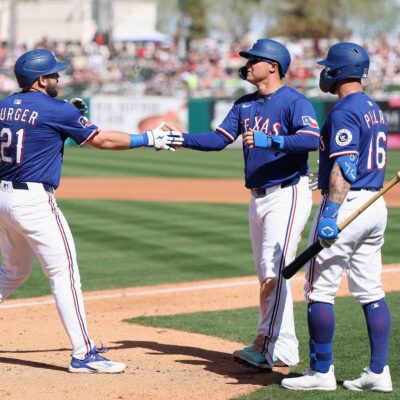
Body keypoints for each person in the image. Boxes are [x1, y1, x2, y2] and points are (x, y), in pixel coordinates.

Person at [0, 49, 182, 373]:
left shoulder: (4, 106)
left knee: (13, 273)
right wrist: (148, 137)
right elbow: (102, 140)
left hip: (3, 199)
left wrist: (68, 118)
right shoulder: (57, 109)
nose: (58, 78)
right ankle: (84, 354)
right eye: (54, 74)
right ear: (41, 80)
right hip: (33, 202)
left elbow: (35, 138)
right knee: (64, 274)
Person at [168, 39, 320, 370]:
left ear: (273, 66)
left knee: (274, 272)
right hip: (258, 198)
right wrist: (181, 138)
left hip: (288, 194)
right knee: (269, 274)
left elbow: (311, 139)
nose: (247, 64)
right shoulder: (245, 103)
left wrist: (273, 140)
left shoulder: (294, 102)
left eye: (254, 59)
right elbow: (218, 139)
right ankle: (286, 348)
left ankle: (265, 346)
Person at [281, 43, 392, 392]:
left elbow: (344, 165)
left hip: (347, 205)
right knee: (371, 289)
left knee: (319, 291)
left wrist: (330, 212)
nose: (324, 72)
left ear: (339, 72)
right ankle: (378, 372)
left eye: (329, 67)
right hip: (375, 204)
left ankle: (320, 372)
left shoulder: (344, 110)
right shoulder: (374, 107)